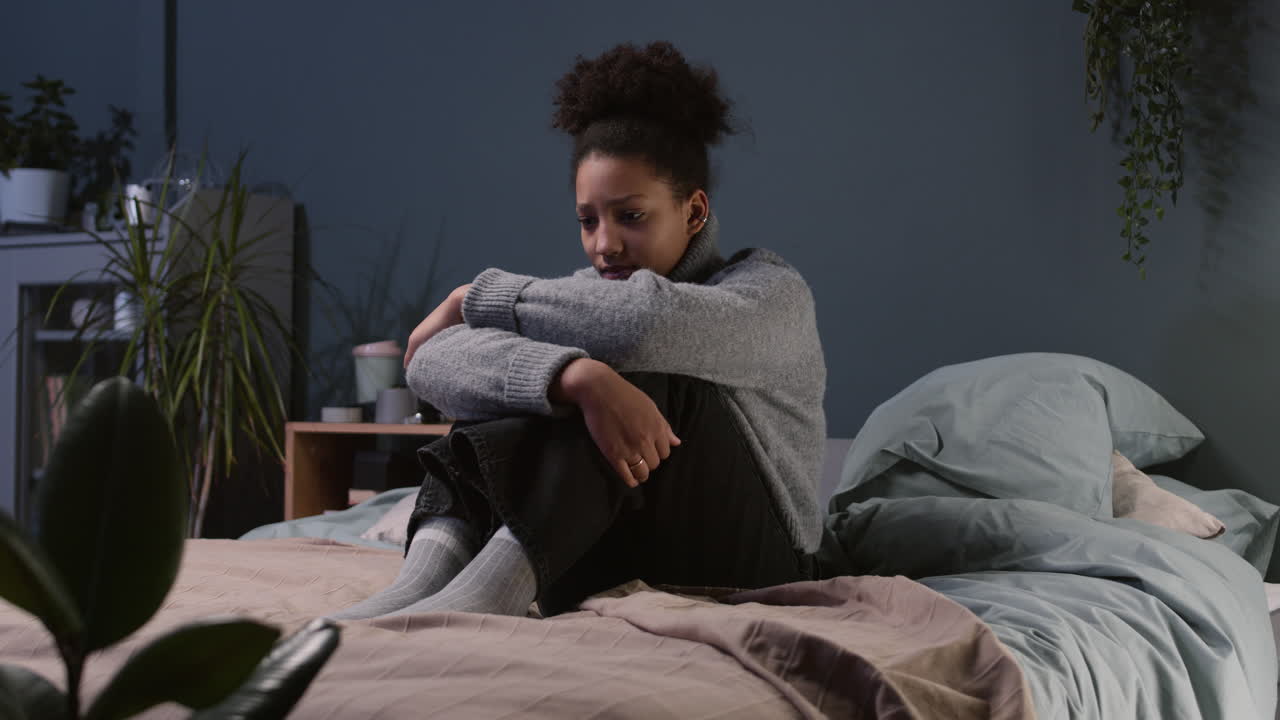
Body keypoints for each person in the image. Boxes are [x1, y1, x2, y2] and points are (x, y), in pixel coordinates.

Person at [327, 41, 826, 621]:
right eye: (588, 220)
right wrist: (575, 377)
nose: (604, 244)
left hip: (759, 557)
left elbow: (646, 325)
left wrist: (474, 298)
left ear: (694, 212)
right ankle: (422, 583)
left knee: (642, 372)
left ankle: (487, 596)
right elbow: (430, 362)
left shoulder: (770, 293)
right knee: (522, 382)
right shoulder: (583, 302)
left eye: (630, 216)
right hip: (621, 545)